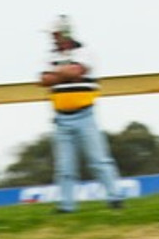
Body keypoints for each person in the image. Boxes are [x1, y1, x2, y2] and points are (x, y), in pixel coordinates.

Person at [40, 15, 124, 212]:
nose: (53, 38)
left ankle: (115, 197)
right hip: (61, 118)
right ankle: (67, 205)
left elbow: (75, 72)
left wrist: (56, 74)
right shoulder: (49, 55)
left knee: (99, 160)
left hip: (85, 115)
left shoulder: (86, 52)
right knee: (64, 167)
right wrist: (64, 72)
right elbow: (43, 79)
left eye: (56, 34)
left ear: (66, 33)